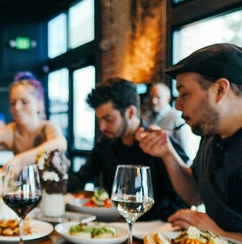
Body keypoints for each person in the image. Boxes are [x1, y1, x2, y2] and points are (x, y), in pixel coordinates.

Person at [136, 43, 242, 241]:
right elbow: (194, 193)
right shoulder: (211, 136)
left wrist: (219, 235)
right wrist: (167, 152)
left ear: (220, 89)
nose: (177, 105)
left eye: (184, 93)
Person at [67, 77, 189, 221]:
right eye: (99, 120)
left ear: (131, 112)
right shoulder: (105, 145)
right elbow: (80, 178)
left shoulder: (160, 144)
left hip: (152, 232)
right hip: (113, 228)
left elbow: (183, 199)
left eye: (108, 119)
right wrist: (52, 183)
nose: (102, 127)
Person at [142, 82, 197, 161]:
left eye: (157, 97)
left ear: (168, 99)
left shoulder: (177, 117)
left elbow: (186, 152)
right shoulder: (146, 117)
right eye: (151, 97)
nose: (153, 101)